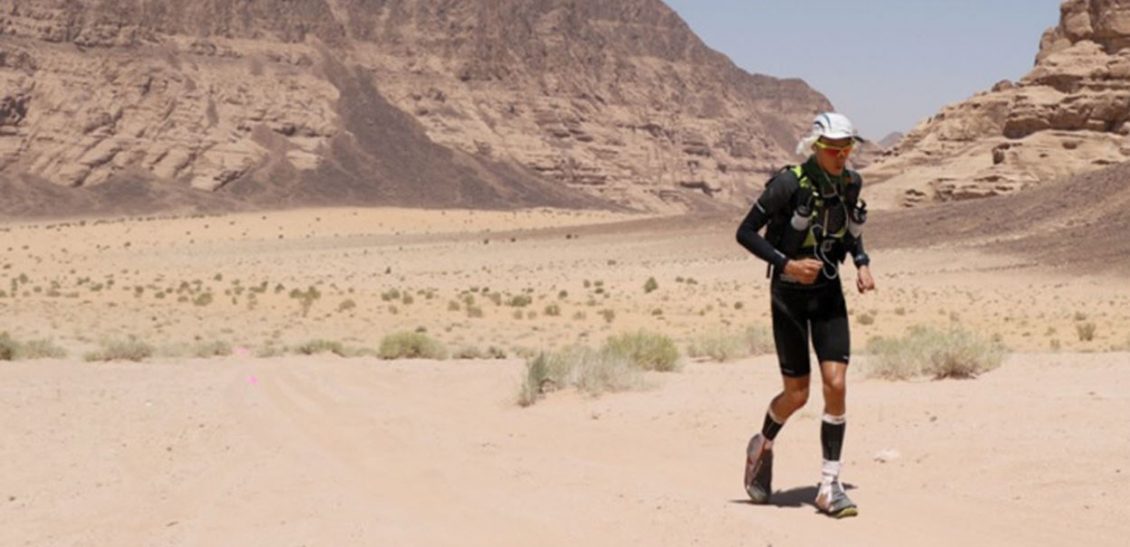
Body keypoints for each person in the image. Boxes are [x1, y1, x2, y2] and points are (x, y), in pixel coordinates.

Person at [735, 112, 876, 518]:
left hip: (828, 292)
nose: (842, 155)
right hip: (789, 296)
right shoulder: (787, 183)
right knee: (798, 394)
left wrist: (862, 263)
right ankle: (762, 443)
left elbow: (851, 229)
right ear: (816, 147)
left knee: (837, 384)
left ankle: (829, 486)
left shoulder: (851, 182)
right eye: (834, 148)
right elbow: (745, 232)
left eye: (847, 148)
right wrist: (786, 264)